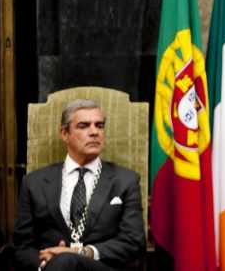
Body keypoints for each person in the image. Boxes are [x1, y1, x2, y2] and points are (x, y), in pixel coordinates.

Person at [14, 99, 146, 271]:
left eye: (99, 125)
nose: (94, 132)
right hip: (51, 268)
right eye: (84, 126)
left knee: (67, 260)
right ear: (64, 133)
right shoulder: (34, 182)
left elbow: (134, 241)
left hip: (103, 266)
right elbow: (21, 246)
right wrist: (46, 264)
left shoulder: (125, 180)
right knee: (62, 264)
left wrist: (80, 253)